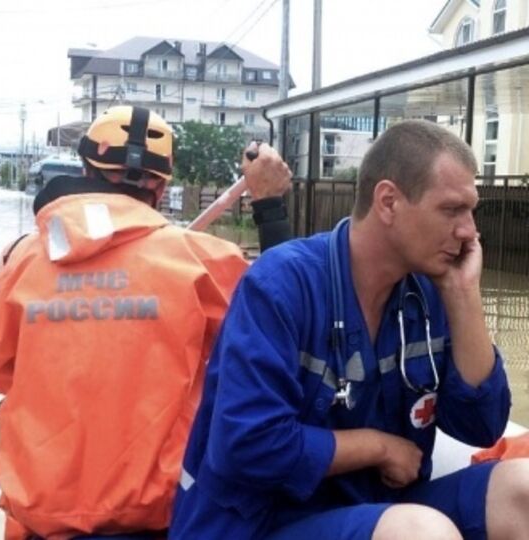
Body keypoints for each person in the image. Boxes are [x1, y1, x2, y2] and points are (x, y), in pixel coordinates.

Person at [171, 119, 529, 540]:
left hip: (374, 509)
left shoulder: (430, 290)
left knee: (522, 489)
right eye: (451, 210)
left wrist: (464, 294)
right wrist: (377, 446)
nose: (469, 231)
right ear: (388, 202)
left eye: (471, 211)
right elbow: (245, 445)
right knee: (419, 533)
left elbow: (481, 427)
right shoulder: (281, 285)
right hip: (258, 523)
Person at [0, 105, 292, 540]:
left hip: (38, 523)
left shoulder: (20, 258)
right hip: (159, 520)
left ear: (86, 167)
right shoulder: (204, 260)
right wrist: (270, 206)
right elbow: (283, 319)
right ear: (161, 184)